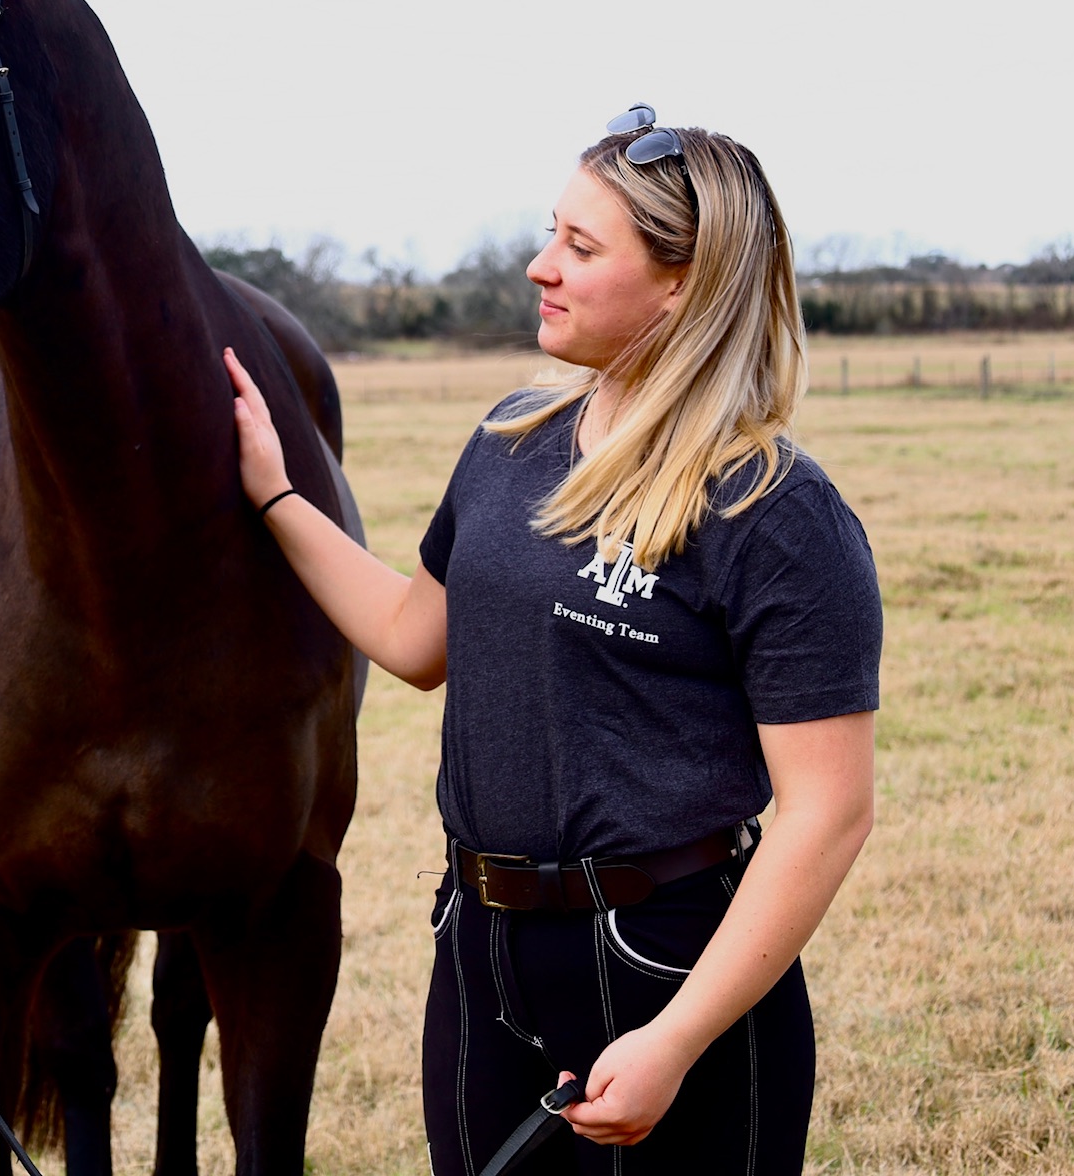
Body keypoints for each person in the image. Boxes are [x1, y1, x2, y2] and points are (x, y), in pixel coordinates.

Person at [222, 106, 879, 1175]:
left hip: (666, 956)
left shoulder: (770, 507)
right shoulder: (508, 442)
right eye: (551, 234)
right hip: (478, 950)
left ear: (683, 282)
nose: (540, 267)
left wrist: (673, 1039)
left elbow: (828, 813)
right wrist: (276, 498)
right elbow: (410, 636)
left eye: (581, 247)